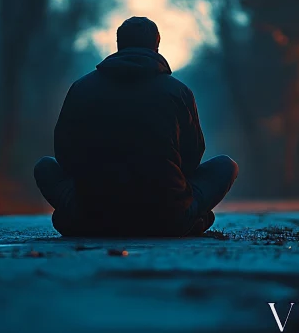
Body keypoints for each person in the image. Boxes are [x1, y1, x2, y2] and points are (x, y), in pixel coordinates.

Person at [34, 16, 238, 237]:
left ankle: (80, 221)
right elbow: (191, 159)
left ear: (119, 46)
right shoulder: (178, 92)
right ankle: (184, 221)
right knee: (226, 166)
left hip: (93, 214)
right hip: (166, 215)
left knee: (45, 167)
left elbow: (64, 157)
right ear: (156, 47)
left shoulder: (81, 88)